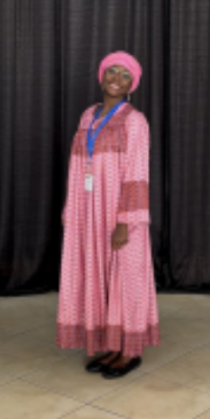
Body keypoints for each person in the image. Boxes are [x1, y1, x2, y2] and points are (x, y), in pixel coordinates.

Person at [57, 51, 160, 378]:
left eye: (125, 74)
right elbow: (77, 165)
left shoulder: (135, 120)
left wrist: (125, 222)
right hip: (89, 211)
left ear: (132, 84)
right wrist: (71, 207)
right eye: (112, 71)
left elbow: (137, 172)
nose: (117, 78)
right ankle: (113, 346)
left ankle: (130, 352)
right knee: (98, 275)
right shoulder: (88, 115)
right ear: (101, 75)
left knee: (124, 277)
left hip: (119, 211)